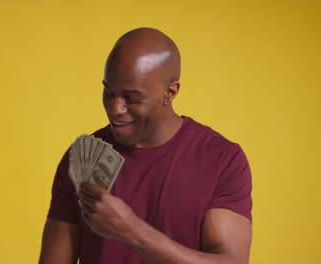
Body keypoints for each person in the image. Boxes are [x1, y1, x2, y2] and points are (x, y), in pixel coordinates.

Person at [39, 27, 252, 264]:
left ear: (170, 92)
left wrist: (131, 231)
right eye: (109, 92)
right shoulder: (78, 160)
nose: (114, 108)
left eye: (132, 98)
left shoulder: (222, 159)